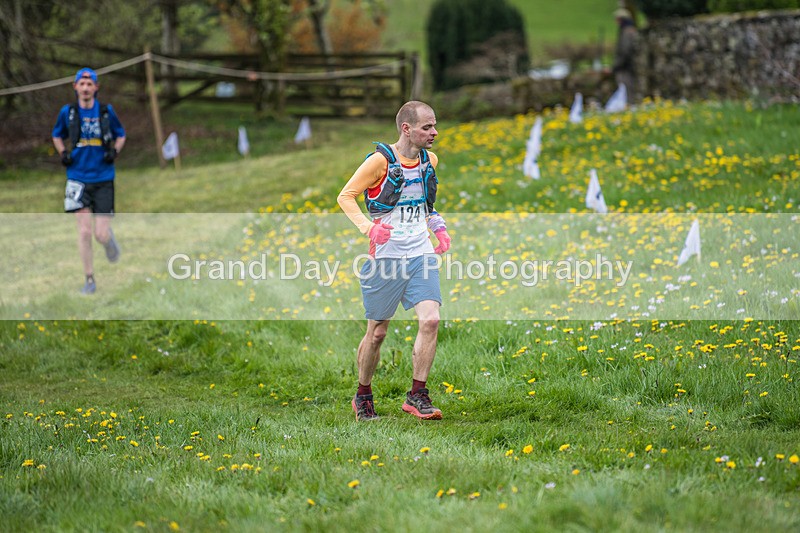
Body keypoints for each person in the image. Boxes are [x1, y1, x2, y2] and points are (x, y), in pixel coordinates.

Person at [337, 101, 451, 421]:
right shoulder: (379, 162)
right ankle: (363, 395)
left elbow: (423, 204)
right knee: (377, 333)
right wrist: (369, 228)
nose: (434, 132)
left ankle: (417, 395)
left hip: (419, 253)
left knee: (430, 320)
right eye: (427, 127)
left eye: (434, 125)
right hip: (385, 257)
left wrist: (438, 229)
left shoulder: (430, 160)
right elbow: (346, 195)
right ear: (407, 129)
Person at [52, 68, 126, 295]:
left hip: (103, 178)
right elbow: (56, 135)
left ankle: (108, 241)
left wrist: (114, 151)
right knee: (84, 231)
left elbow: (121, 134)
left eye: (89, 84)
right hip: (77, 178)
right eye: (81, 84)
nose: (85, 88)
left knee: (100, 234)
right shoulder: (68, 112)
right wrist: (63, 152)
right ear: (75, 87)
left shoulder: (105, 112)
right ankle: (89, 279)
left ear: (96, 88)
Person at [611, 8, 639, 102]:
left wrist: (615, 66)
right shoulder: (631, 30)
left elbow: (625, 51)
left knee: (626, 92)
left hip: (626, 68)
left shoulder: (627, 32)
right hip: (630, 66)